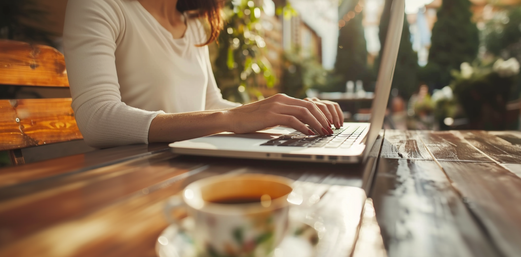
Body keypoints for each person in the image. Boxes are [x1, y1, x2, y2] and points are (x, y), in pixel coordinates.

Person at [63, 0, 343, 148]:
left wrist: (284, 114)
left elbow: (211, 103)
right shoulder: (101, 5)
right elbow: (96, 120)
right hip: (130, 177)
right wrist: (231, 118)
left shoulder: (194, 23)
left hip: (187, 166)